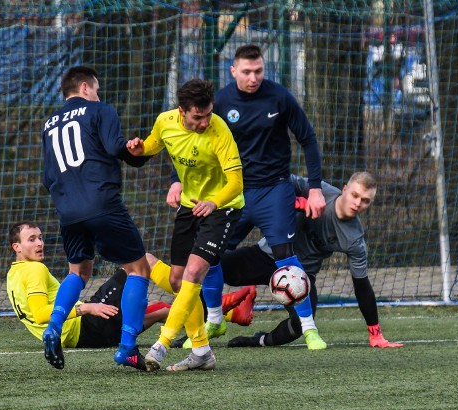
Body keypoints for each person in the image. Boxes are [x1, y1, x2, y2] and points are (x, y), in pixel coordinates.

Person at [169, 44, 327, 349]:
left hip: (273, 190)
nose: (253, 77)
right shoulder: (221, 102)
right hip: (231, 192)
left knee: (286, 257)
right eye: (246, 72)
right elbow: (193, 145)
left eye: (258, 71)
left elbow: (307, 138)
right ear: (233, 71)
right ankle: (214, 322)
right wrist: (177, 180)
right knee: (207, 255)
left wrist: (316, 187)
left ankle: (309, 328)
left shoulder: (279, 97)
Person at [126, 78, 244, 371]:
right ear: (182, 112)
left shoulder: (219, 130)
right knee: (179, 282)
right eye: (198, 117)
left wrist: (215, 202)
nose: (205, 122)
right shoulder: (165, 122)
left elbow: (237, 183)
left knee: (193, 273)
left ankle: (161, 345)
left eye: (208, 115)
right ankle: (202, 351)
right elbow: (151, 146)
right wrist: (137, 148)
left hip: (222, 208)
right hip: (189, 207)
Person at [40, 66, 153, 371]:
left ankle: (53, 326)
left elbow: (47, 176)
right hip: (102, 203)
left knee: (78, 271)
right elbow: (116, 147)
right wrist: (142, 153)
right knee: (138, 269)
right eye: (97, 89)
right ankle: (128, 348)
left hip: (67, 210)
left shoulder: (49, 124)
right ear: (87, 88)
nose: (98, 95)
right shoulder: (100, 110)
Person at [222, 172, 404, 349]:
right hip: (267, 256)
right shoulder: (319, 192)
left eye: (365, 201)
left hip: (302, 276)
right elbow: (281, 179)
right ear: (345, 189)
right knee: (209, 269)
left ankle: (257, 341)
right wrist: (290, 201)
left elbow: (361, 285)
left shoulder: (355, 240)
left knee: (299, 325)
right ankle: (215, 319)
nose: (357, 203)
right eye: (355, 195)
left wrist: (375, 334)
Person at [7, 221, 171, 351]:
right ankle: (191, 299)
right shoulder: (35, 268)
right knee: (145, 261)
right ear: (17, 247)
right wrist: (87, 308)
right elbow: (40, 314)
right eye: (31, 239)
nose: (39, 243)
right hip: (85, 326)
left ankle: (189, 326)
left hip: (80, 337)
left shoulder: (13, 274)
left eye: (40, 238)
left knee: (158, 309)